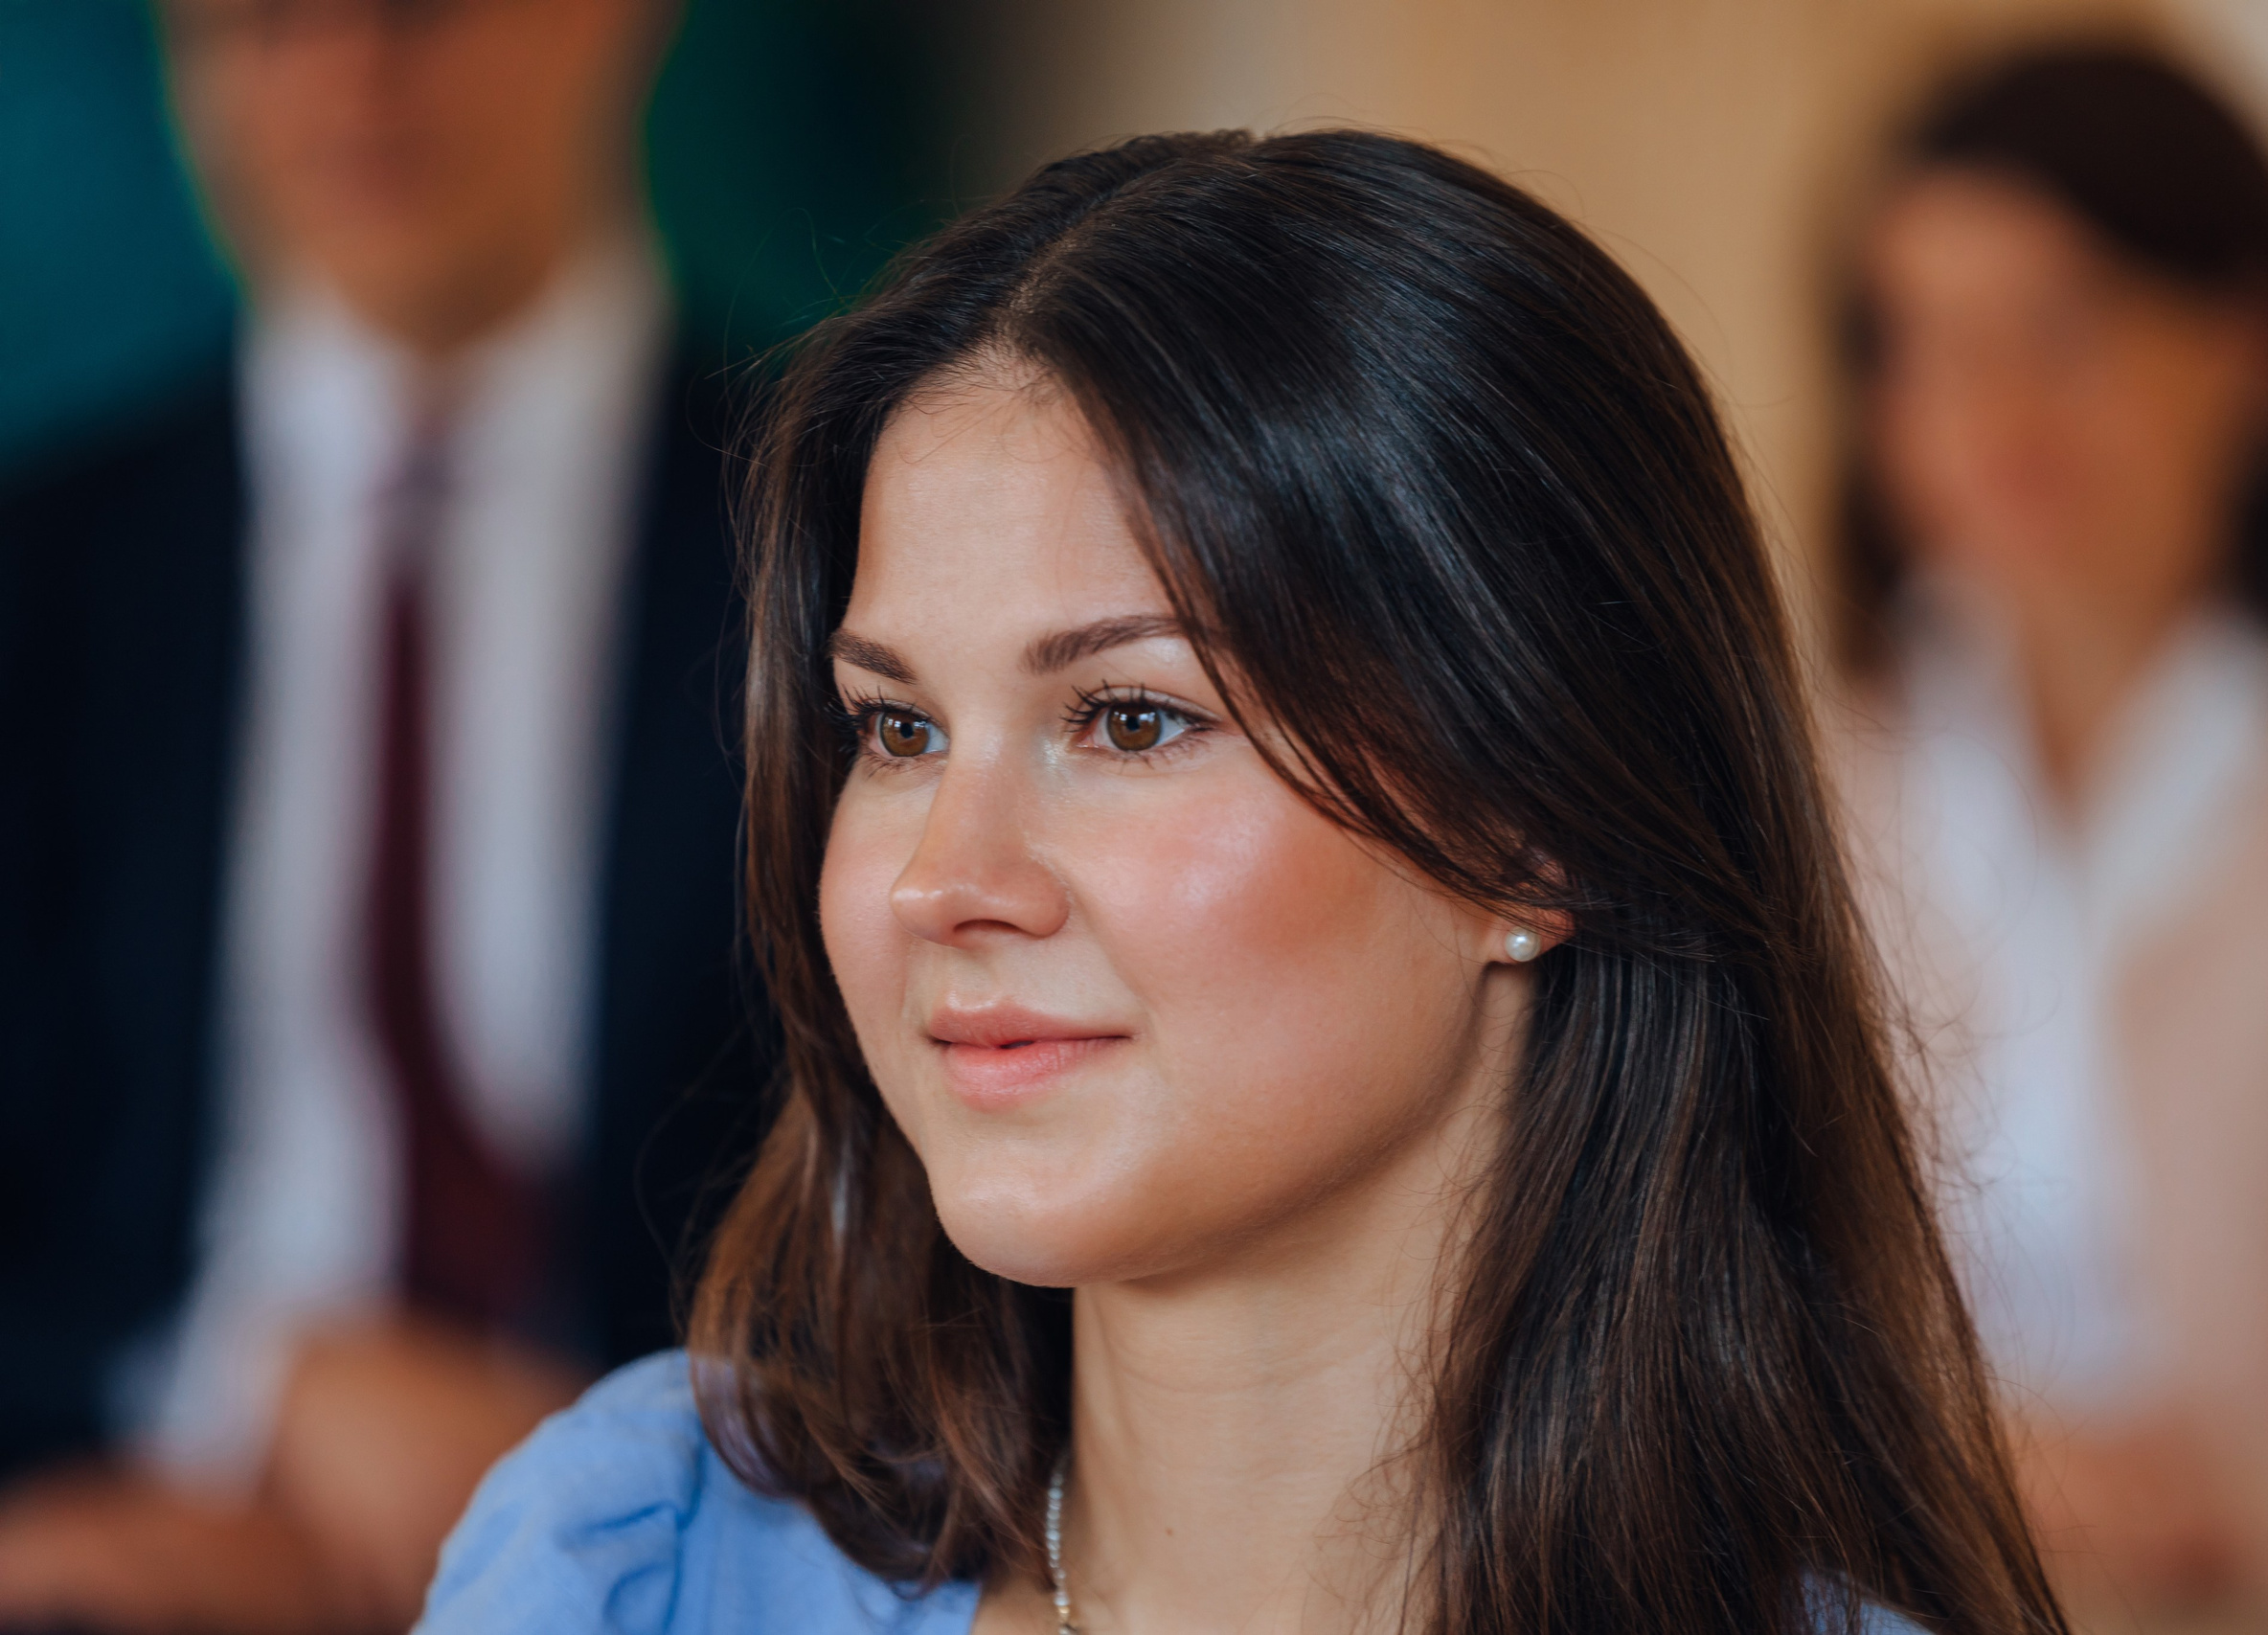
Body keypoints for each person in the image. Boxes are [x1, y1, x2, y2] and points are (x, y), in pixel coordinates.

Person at [414, 128, 2065, 1635]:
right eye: (898, 730)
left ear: (1535, 819)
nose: (940, 882)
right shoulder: (631, 1567)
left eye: (1130, 720)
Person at [0, 0, 766, 1626]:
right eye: (263, 22)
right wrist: (231, 1391)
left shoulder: (832, 528)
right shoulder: (44, 579)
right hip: (148, 1524)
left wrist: (614, 1466)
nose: (348, 73)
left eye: (422, 7)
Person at [1823, 43, 2268, 1627]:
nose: (1992, 411)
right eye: (1925, 344)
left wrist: (2207, 1502)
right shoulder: (1791, 776)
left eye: (2065, 327)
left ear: (2257, 351)